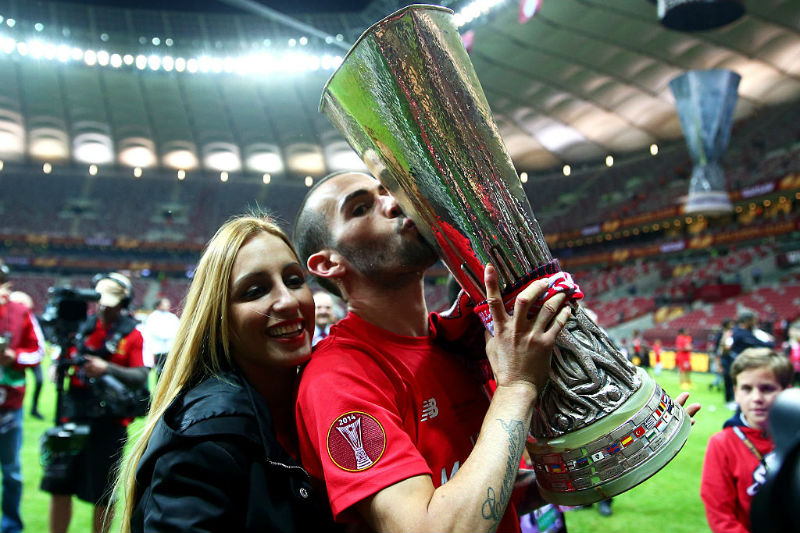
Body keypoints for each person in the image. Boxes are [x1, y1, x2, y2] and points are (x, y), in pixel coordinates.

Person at [292, 170, 579, 532]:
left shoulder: (453, 343)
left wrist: (577, 471)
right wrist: (517, 387)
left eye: (388, 191)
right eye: (361, 208)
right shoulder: (337, 378)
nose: (394, 203)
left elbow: (479, 494)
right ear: (328, 263)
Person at [115, 215, 337, 533]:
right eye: (256, 290)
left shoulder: (321, 401)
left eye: (293, 280)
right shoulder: (206, 437)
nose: (288, 301)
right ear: (218, 315)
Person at [42, 272, 147, 533]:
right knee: (59, 485)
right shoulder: (79, 328)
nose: (103, 308)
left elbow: (141, 376)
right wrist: (57, 368)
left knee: (103, 493)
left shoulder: (133, 334)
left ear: (123, 303)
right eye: (101, 302)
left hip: (109, 423)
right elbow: (61, 359)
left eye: (110, 304)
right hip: (72, 415)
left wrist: (106, 368)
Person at [700, 348, 792, 533]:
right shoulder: (722, 444)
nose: (756, 398)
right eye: (747, 389)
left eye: (767, 388)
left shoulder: (794, 438)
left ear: (786, 390)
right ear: (736, 392)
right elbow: (720, 516)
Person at [0, 265, 44, 533]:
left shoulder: (19, 311)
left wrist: (14, 357)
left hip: (9, 404)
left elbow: (38, 351)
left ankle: (10, 526)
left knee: (12, 471)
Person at [8, 291, 45, 420]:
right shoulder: (8, 317)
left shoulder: (28, 317)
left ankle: (34, 408)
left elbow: (38, 348)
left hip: (24, 355)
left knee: (39, 381)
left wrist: (17, 356)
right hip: (12, 361)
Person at [727, 312, 775, 410]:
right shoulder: (744, 334)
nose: (755, 323)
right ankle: (737, 403)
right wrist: (771, 341)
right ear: (747, 321)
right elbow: (762, 344)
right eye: (753, 320)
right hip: (741, 364)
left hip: (735, 362)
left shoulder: (736, 331)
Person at [141, 297, 179, 379]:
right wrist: (168, 334)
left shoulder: (172, 317)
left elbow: (177, 330)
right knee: (156, 371)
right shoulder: (153, 317)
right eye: (165, 303)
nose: (167, 305)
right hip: (156, 350)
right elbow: (155, 331)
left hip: (168, 349)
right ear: (158, 305)